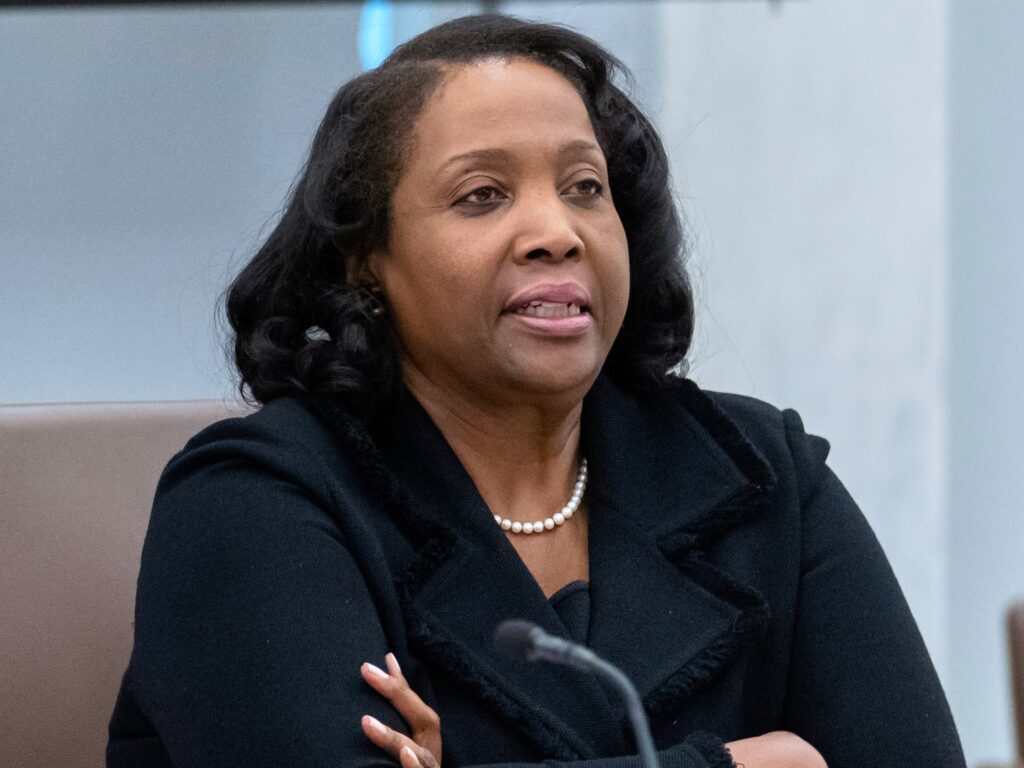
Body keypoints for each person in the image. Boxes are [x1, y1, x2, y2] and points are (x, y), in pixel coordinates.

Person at [106, 14, 966, 768]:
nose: (556, 232)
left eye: (586, 188)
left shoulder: (765, 476)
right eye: (482, 196)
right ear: (366, 261)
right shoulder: (249, 502)